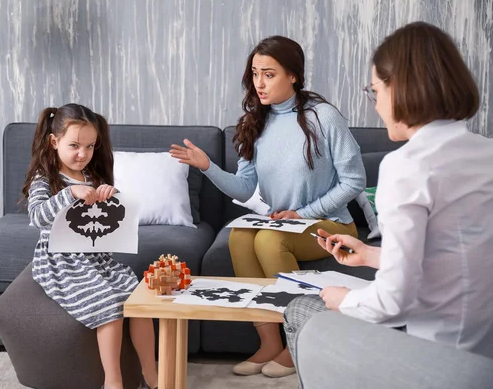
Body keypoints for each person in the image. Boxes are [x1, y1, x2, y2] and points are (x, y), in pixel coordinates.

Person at [284, 21, 493, 372]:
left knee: (301, 311)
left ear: (399, 89)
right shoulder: (486, 153)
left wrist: (344, 299)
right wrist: (372, 255)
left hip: (441, 360)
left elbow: (393, 302)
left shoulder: (406, 166)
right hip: (483, 353)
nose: (376, 107)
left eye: (375, 92)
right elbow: (461, 257)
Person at [170, 36, 366, 378]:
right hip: (286, 224)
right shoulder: (256, 122)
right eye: (255, 73)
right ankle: (270, 343)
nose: (259, 83)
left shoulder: (324, 117)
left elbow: (353, 181)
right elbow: (245, 187)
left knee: (268, 240)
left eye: (269, 74)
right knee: (239, 236)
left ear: (293, 75)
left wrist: (302, 214)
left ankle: (299, 343)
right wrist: (207, 166)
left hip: (330, 222)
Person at [22, 103, 158, 389]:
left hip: (99, 260)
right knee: (108, 304)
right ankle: (113, 381)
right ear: (54, 141)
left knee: (138, 302)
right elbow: (37, 218)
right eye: (74, 145)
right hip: (61, 264)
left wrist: (111, 194)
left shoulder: (92, 178)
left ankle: (151, 373)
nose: (82, 154)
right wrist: (70, 193)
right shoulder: (45, 180)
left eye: (90, 146)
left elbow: (111, 221)